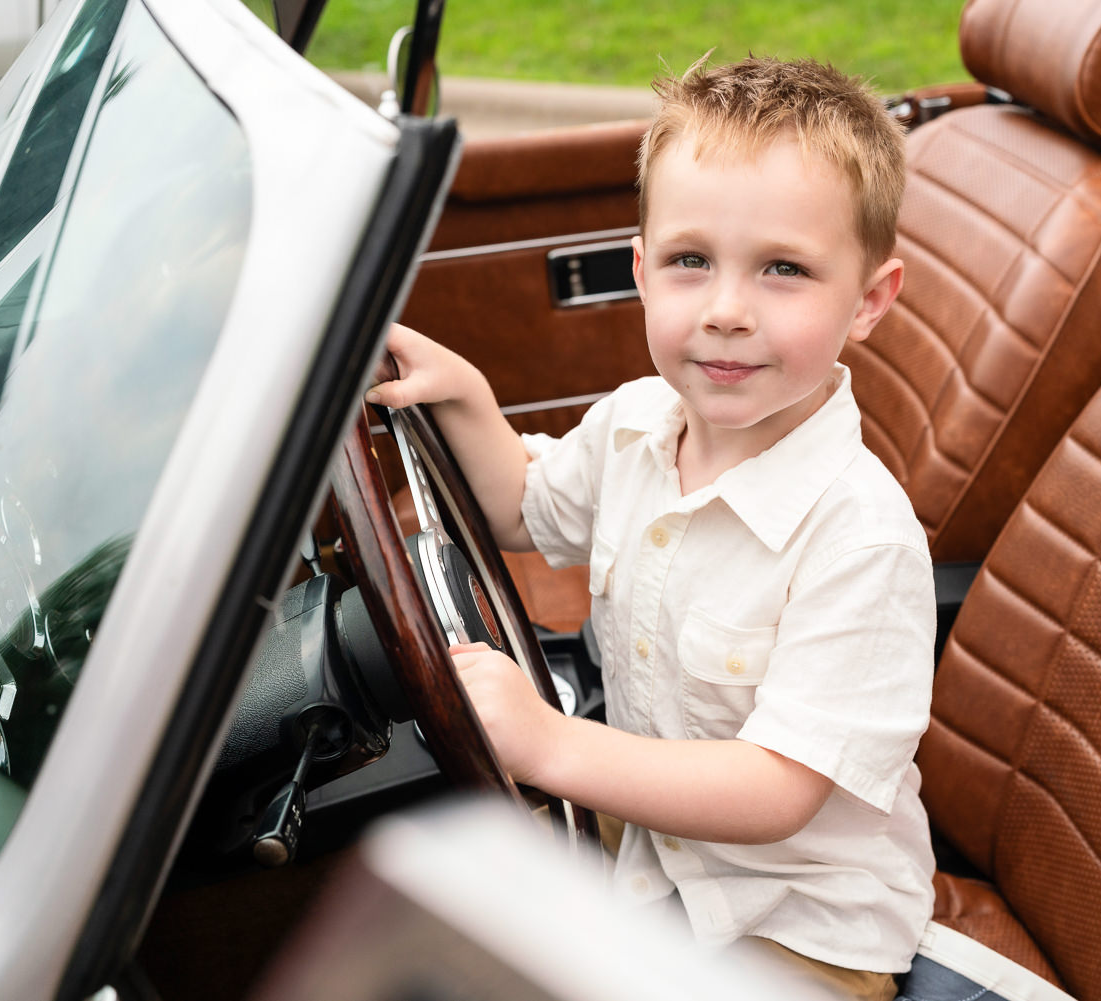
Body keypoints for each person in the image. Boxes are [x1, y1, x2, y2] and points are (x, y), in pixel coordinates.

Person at [367, 55, 936, 1001]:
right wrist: (464, 395)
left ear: (870, 300)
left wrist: (547, 743)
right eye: (689, 261)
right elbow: (519, 507)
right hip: (649, 865)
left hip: (799, 928)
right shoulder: (637, 423)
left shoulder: (861, 537)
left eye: (783, 270)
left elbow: (775, 790)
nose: (724, 311)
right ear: (640, 269)